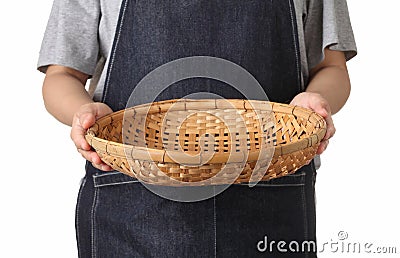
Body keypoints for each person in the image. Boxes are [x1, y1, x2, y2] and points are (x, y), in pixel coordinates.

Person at [38, 0, 357, 257]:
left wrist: (315, 101)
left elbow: (331, 67)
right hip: (131, 206)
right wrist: (83, 111)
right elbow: (62, 74)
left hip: (270, 206)